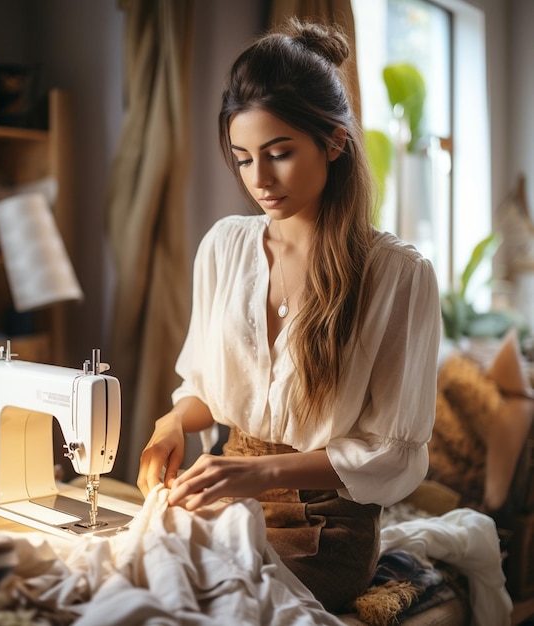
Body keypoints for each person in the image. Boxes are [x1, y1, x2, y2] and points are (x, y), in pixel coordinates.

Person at [137, 17, 441, 613]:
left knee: (220, 605)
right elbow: (205, 388)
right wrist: (171, 425)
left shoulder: (397, 276)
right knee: (133, 582)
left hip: (326, 527)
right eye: (243, 158)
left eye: (279, 153)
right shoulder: (224, 247)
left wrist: (261, 475)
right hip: (224, 495)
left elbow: (396, 452)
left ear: (333, 142)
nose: (259, 180)